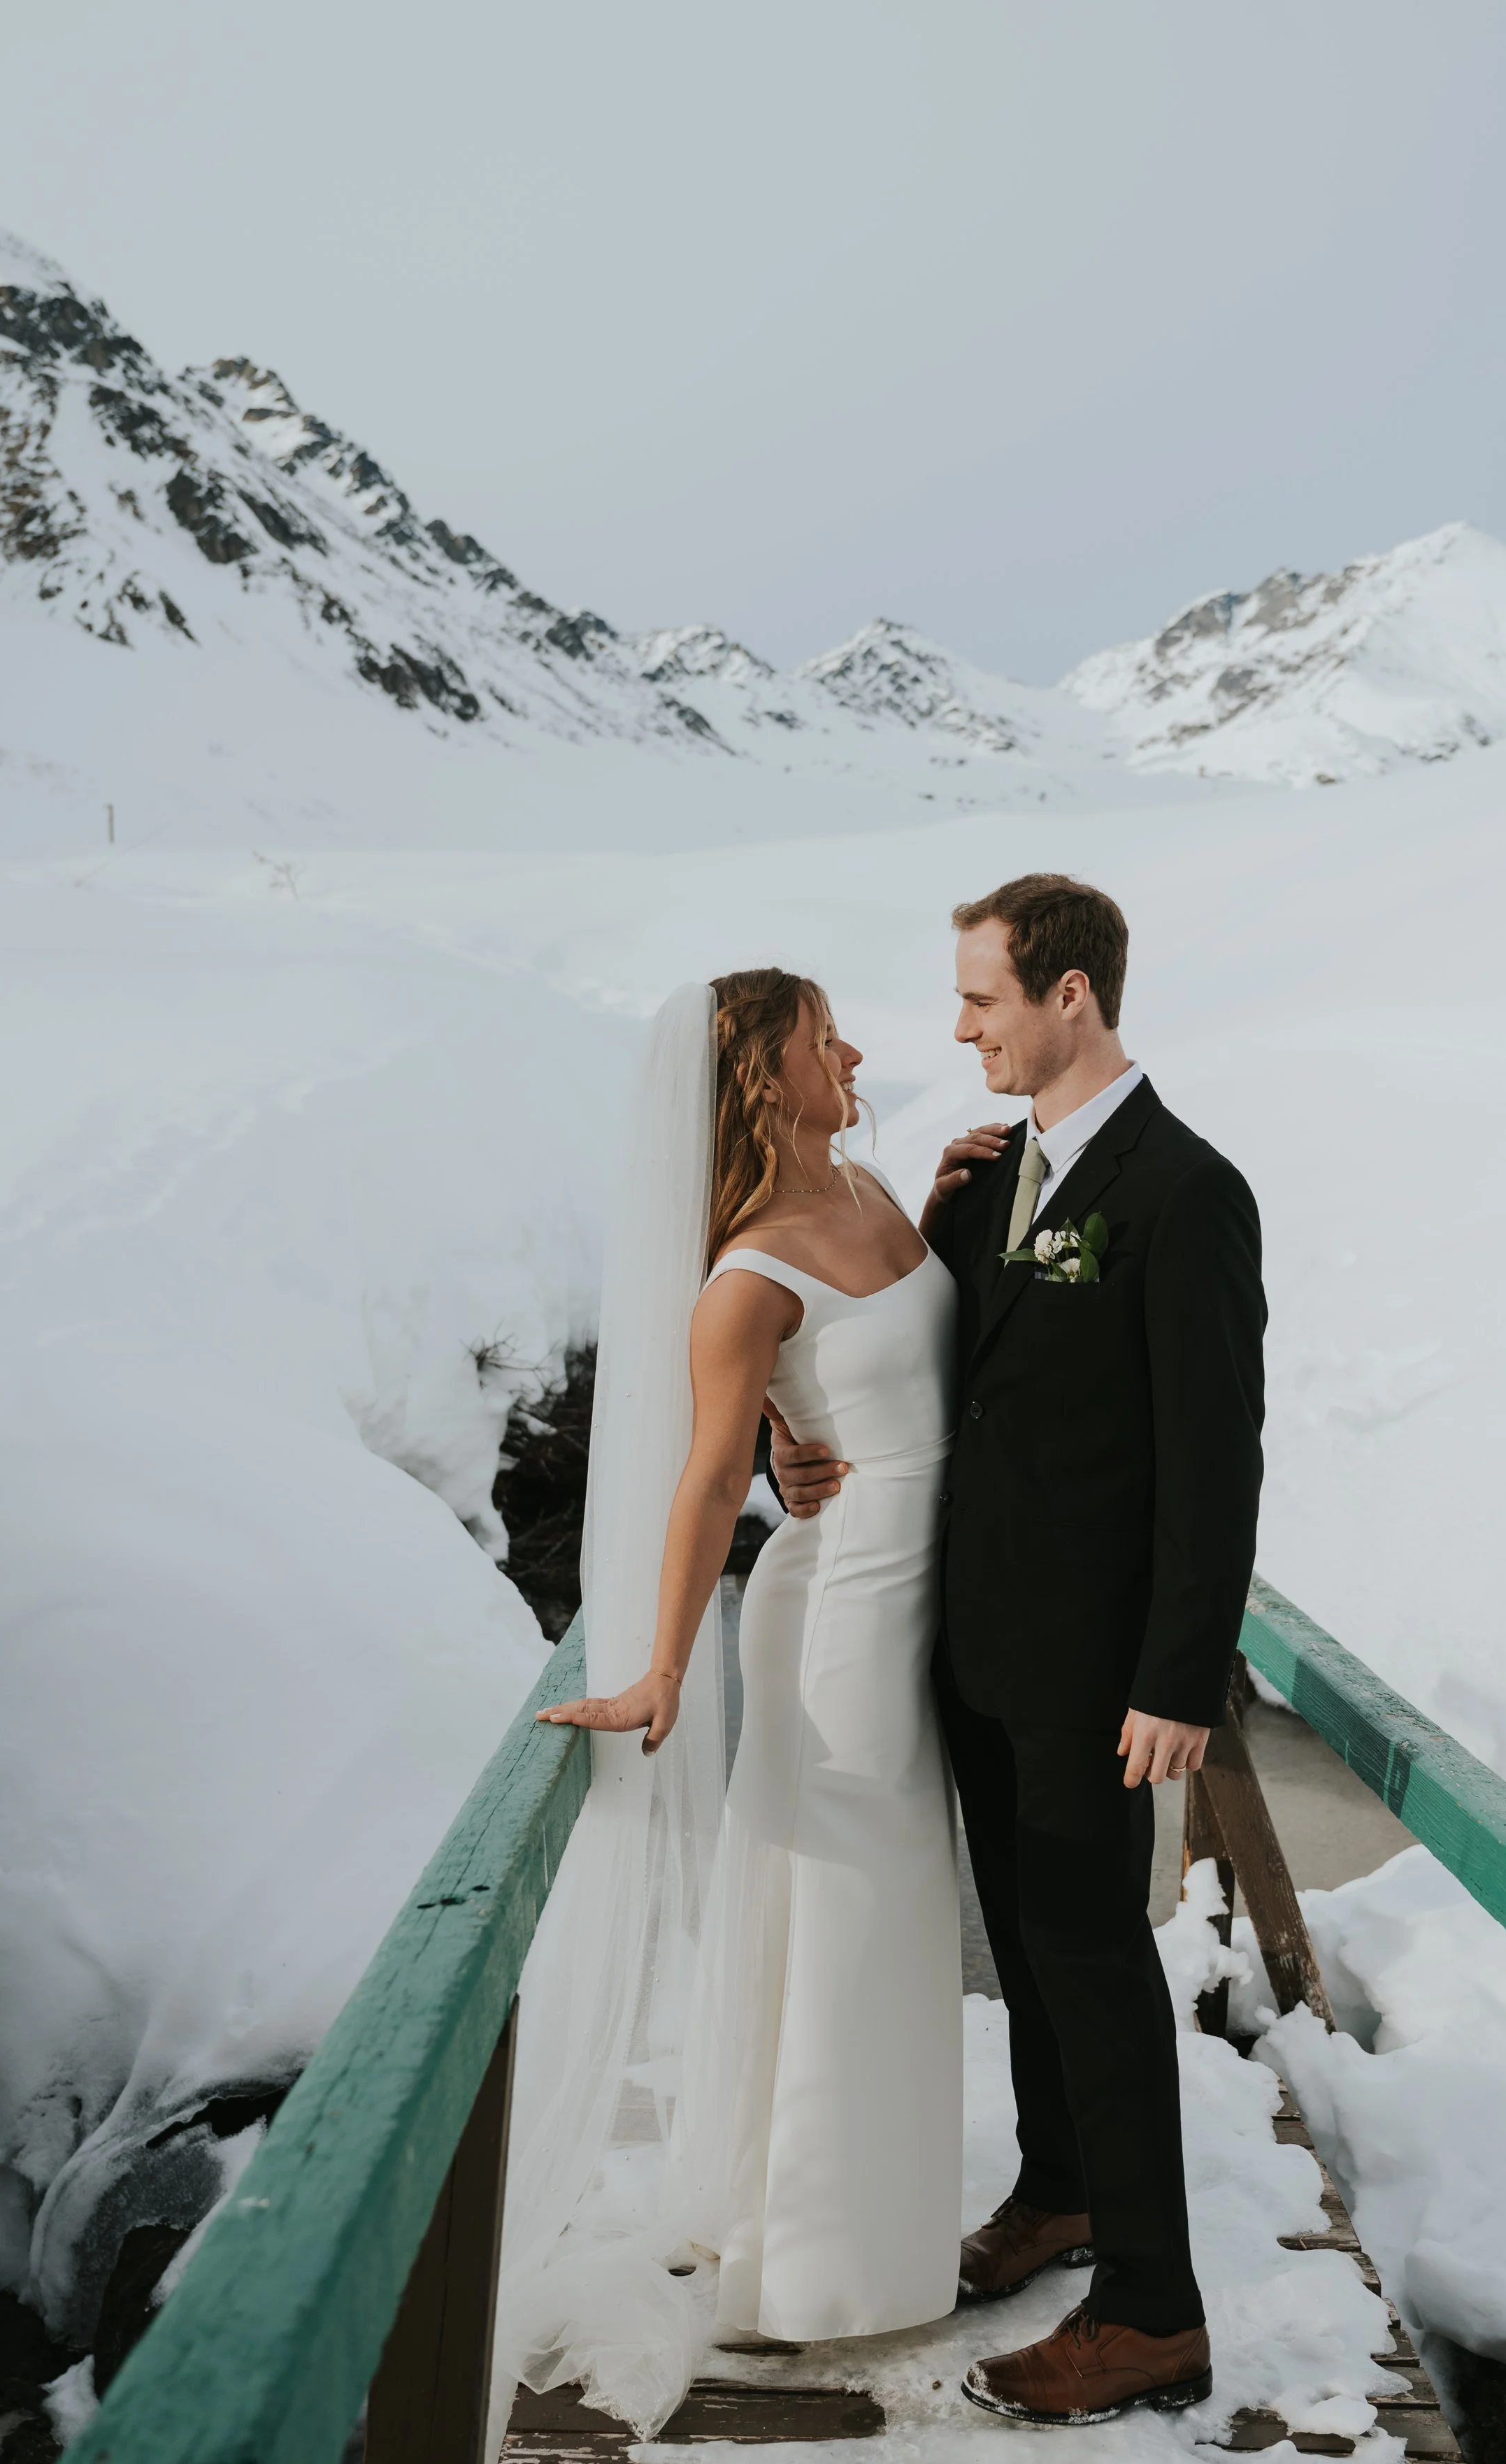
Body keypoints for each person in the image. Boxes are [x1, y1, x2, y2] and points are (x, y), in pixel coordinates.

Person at [773, 874, 1266, 2426]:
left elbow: (1214, 1461)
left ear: (1070, 996)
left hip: (1095, 1676)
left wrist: (1177, 1677)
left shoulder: (1187, 1192)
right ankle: (1060, 2192)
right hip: (977, 1649)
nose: (960, 1028)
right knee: (1036, 1953)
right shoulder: (991, 1179)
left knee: (1096, 1968)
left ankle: (1153, 2316)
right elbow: (939, 1372)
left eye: (981, 999)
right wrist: (795, 1436)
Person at [537, 968, 962, 2348]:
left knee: (894, 1916)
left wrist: (950, 1205)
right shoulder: (745, 1279)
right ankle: (818, 2265)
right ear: (760, 1082)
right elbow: (711, 1482)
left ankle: (851, 2222)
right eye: (821, 1039)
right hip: (839, 1620)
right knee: (849, 1919)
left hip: (928, 1597)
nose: (853, 1052)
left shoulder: (878, 1190)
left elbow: (897, 1362)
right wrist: (662, 1668)